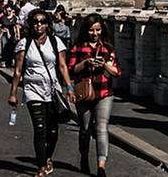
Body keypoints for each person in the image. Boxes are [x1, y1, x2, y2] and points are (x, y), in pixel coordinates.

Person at [9, 9, 74, 177]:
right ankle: (41, 166)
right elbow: (17, 71)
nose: (39, 25)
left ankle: (48, 157)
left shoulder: (56, 42)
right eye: (35, 22)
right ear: (31, 24)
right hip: (32, 90)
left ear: (47, 24)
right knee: (39, 129)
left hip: (53, 91)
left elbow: (62, 66)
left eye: (42, 22)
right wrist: (13, 93)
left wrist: (69, 87)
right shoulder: (24, 43)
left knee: (52, 131)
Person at [69, 14, 121, 177]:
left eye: (97, 30)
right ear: (86, 30)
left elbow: (117, 72)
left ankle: (101, 166)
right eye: (91, 30)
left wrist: (104, 65)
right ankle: (84, 156)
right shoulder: (77, 47)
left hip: (104, 92)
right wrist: (85, 63)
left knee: (101, 128)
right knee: (85, 128)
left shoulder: (108, 48)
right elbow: (71, 70)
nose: (94, 33)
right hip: (84, 92)